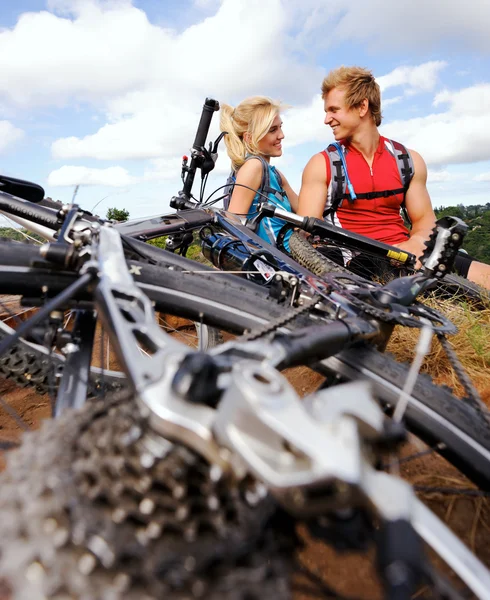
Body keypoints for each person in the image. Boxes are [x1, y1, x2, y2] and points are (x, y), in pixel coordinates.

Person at [297, 66, 490, 290]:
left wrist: (415, 243)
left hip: (404, 253)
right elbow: (306, 232)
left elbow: (424, 221)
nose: (327, 119)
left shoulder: (407, 161)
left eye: (333, 110)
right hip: (355, 260)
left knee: (482, 273)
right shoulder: (321, 165)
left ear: (362, 107)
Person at [220, 96, 298, 250]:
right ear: (249, 138)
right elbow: (234, 227)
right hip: (277, 267)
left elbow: (306, 212)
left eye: (280, 127)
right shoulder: (253, 167)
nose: (281, 135)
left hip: (293, 260)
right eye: (272, 130)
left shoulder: (274, 174)